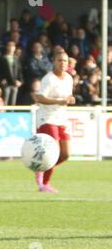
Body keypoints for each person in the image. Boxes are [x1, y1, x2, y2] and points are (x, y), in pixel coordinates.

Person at [34, 51, 75, 193]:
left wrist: (70, 99)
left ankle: (41, 169)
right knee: (54, 152)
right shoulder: (48, 79)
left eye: (65, 61)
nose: (63, 63)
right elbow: (39, 97)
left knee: (66, 154)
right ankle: (44, 184)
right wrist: (60, 101)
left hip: (61, 118)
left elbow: (67, 96)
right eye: (59, 60)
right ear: (54, 61)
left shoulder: (69, 78)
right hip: (47, 118)